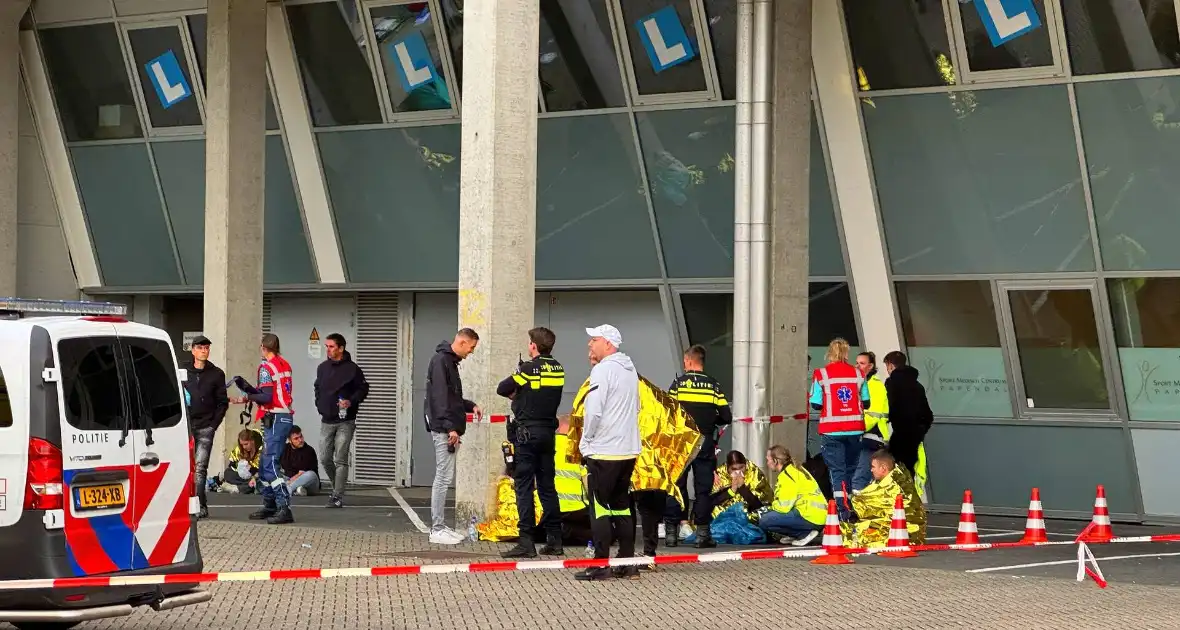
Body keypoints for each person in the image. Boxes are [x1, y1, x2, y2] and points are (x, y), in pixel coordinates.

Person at [575, 324, 641, 581]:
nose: (590, 345)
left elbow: (594, 411)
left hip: (604, 450)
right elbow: (635, 407)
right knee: (622, 507)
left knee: (600, 508)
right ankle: (627, 562)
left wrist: (587, 440)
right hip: (627, 450)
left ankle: (601, 564)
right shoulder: (629, 369)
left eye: (594, 340)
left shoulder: (603, 370)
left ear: (608, 344)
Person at [496, 327, 565, 558]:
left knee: (523, 485)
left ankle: (526, 542)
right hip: (548, 433)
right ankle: (555, 540)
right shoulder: (558, 368)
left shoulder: (527, 369)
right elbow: (542, 391)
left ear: (534, 345)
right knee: (547, 486)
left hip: (527, 434)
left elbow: (502, 388)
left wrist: (517, 392)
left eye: (529, 343)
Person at [664, 344, 732, 548]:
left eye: (685, 361)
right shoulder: (714, 385)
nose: (684, 365)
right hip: (704, 441)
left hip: (681, 443)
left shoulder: (678, 384)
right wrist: (712, 422)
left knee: (677, 486)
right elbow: (726, 416)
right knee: (703, 489)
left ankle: (671, 534)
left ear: (690, 360)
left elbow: (668, 413)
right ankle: (703, 535)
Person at [230, 333, 297, 525]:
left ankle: (284, 506)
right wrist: (246, 397)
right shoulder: (284, 364)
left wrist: (248, 396)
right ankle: (270, 504)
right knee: (265, 462)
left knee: (270, 464)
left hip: (275, 418)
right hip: (283, 416)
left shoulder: (266, 368)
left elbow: (266, 397)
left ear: (263, 347)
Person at [424, 328, 482, 545]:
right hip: (443, 428)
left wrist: (470, 405)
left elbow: (451, 397)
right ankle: (437, 529)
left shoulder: (448, 361)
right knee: (443, 478)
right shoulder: (442, 361)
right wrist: (451, 428)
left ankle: (440, 526)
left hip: (446, 426)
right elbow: (440, 398)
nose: (472, 352)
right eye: (472, 347)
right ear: (463, 342)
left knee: (444, 477)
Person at [810, 338, 870, 520]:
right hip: (855, 430)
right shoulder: (859, 374)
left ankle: (843, 511)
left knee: (837, 471)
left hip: (832, 431)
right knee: (851, 470)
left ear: (830, 353)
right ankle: (850, 506)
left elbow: (815, 404)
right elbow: (866, 402)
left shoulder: (821, 374)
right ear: (847, 353)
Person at [314, 333, 370, 509]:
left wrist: (351, 401)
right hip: (326, 419)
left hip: (346, 420)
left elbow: (363, 389)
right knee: (324, 457)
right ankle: (336, 486)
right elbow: (317, 387)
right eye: (326, 346)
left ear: (341, 348)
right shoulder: (322, 368)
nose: (328, 349)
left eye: (331, 346)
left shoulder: (353, 369)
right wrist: (319, 404)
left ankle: (337, 495)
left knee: (340, 458)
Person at [181, 335, 227, 519]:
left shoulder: (216, 374)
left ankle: (200, 505)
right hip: (184, 426)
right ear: (193, 350)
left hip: (205, 426)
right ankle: (184, 504)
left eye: (206, 348)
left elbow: (222, 403)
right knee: (184, 466)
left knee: (200, 468)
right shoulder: (183, 370)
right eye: (200, 348)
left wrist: (213, 425)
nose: (204, 351)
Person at [845, 449, 926, 548]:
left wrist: (853, 500)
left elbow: (868, 501)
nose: (871, 470)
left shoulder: (893, 487)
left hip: (903, 535)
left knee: (851, 534)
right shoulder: (898, 480)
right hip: (911, 535)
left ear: (883, 468)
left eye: (873, 467)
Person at [759, 445, 827, 546]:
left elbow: (783, 507)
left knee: (764, 520)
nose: (767, 463)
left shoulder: (787, 476)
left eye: (768, 460)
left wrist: (770, 507)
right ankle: (799, 534)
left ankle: (803, 534)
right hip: (818, 516)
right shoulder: (796, 469)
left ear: (775, 461)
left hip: (810, 517)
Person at [881, 351, 934, 478]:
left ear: (891, 365)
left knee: (892, 472)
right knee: (908, 473)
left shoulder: (891, 383)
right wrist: (920, 431)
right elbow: (928, 415)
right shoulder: (917, 385)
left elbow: (890, 408)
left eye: (887, 366)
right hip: (913, 437)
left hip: (900, 435)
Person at [707, 450, 773, 523]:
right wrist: (731, 491)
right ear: (727, 467)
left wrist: (742, 488)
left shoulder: (754, 473)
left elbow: (761, 505)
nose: (738, 472)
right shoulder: (719, 476)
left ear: (746, 465)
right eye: (734, 469)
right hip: (725, 518)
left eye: (741, 467)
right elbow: (710, 503)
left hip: (748, 516)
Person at [856, 351, 888, 483]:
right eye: (856, 363)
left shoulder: (875, 385)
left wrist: (855, 429)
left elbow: (872, 415)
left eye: (862, 363)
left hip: (871, 437)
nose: (858, 366)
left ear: (870, 366)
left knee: (859, 478)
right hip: (860, 437)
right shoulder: (858, 383)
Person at [220, 428, 263, 494]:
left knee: (260, 480)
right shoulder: (240, 448)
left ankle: (237, 488)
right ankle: (245, 487)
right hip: (242, 475)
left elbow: (262, 469)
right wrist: (240, 466)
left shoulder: (263, 449)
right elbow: (232, 465)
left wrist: (251, 470)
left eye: (246, 444)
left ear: (252, 441)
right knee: (227, 473)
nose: (244, 447)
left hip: (256, 475)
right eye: (242, 444)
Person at [281, 426, 321, 496]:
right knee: (273, 475)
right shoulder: (285, 449)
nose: (300, 440)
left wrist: (288, 483)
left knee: (310, 474)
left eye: (301, 436)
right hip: (289, 479)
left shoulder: (308, 450)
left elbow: (301, 473)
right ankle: (297, 490)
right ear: (290, 440)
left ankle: (287, 490)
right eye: (296, 438)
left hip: (310, 483)